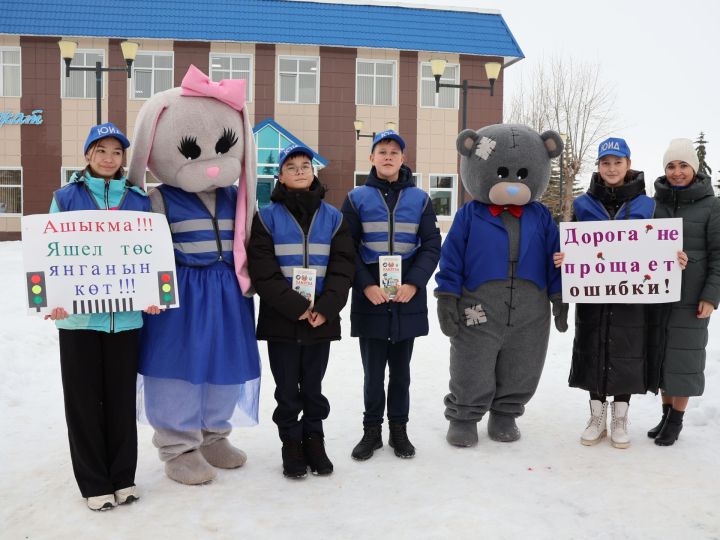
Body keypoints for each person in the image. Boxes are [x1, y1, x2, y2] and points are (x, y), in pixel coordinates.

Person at [45, 123, 158, 511]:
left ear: (124, 158)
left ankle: (123, 478)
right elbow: (50, 254)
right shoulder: (65, 197)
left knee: (121, 402)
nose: (109, 158)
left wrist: (154, 293)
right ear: (88, 155)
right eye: (101, 150)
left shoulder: (139, 200)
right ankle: (94, 483)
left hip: (125, 320)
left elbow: (150, 253)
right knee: (83, 402)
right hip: (77, 321)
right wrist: (52, 297)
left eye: (116, 152)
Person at [248, 144, 355, 479]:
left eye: (305, 165)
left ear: (314, 172)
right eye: (290, 166)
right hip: (282, 318)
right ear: (280, 176)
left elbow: (343, 267)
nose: (298, 170)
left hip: (319, 318)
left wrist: (325, 308)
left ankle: (314, 440)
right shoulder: (265, 218)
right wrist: (296, 307)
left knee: (312, 385)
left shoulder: (334, 217)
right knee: (286, 389)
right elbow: (262, 270)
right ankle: (291, 444)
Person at [341, 130, 441, 460]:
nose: (387, 156)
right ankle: (372, 431)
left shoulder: (421, 199)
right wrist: (366, 284)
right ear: (371, 158)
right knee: (372, 373)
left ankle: (399, 429)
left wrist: (414, 283)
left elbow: (431, 245)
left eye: (394, 152)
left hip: (405, 297)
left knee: (401, 372)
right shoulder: (356, 198)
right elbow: (346, 247)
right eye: (381, 151)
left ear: (403, 159)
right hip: (370, 297)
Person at [554, 138, 657, 449]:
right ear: (598, 166)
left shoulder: (648, 204)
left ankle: (620, 417)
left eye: (617, 162)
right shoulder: (582, 203)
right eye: (605, 163)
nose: (611, 169)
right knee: (593, 348)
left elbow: (661, 244)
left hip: (631, 296)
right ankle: (597, 416)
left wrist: (673, 258)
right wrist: (564, 257)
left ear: (629, 164)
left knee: (625, 351)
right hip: (593, 296)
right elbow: (572, 242)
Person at [646, 138, 720, 446]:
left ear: (695, 167)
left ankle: (676, 420)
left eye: (683, 166)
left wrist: (710, 297)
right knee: (663, 358)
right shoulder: (655, 204)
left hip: (692, 299)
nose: (677, 172)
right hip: (660, 296)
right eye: (671, 166)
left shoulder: (711, 206)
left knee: (685, 359)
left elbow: (718, 254)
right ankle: (664, 415)